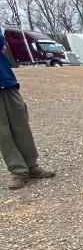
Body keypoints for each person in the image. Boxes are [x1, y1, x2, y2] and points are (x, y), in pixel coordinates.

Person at [0, 32, 56, 190]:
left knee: (21, 125)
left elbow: (0, 41)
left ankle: (31, 166)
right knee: (3, 133)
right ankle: (18, 171)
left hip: (7, 83)